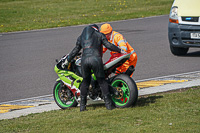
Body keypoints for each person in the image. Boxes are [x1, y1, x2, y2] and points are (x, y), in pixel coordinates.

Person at [62, 24, 125, 111]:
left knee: (85, 82)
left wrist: (68, 59)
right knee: (102, 81)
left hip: (84, 61)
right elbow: (108, 45)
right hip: (95, 59)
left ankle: (82, 107)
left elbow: (75, 50)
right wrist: (120, 50)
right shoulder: (99, 35)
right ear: (96, 29)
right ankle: (109, 105)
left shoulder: (81, 37)